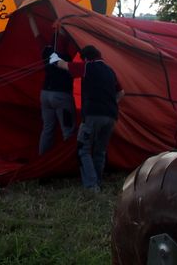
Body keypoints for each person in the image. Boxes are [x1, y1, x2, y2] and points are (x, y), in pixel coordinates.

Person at [54, 45, 124, 191]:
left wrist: (53, 58)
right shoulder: (110, 71)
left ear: (86, 58)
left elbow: (64, 65)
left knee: (83, 149)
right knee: (100, 150)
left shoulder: (87, 67)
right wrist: (110, 102)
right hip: (111, 116)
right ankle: (98, 181)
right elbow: (121, 92)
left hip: (93, 115)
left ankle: (91, 186)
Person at [38, 43, 76, 154]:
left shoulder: (46, 53)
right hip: (61, 96)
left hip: (45, 94)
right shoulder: (67, 57)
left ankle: (42, 158)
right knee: (68, 131)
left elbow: (39, 40)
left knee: (47, 129)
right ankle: (67, 160)